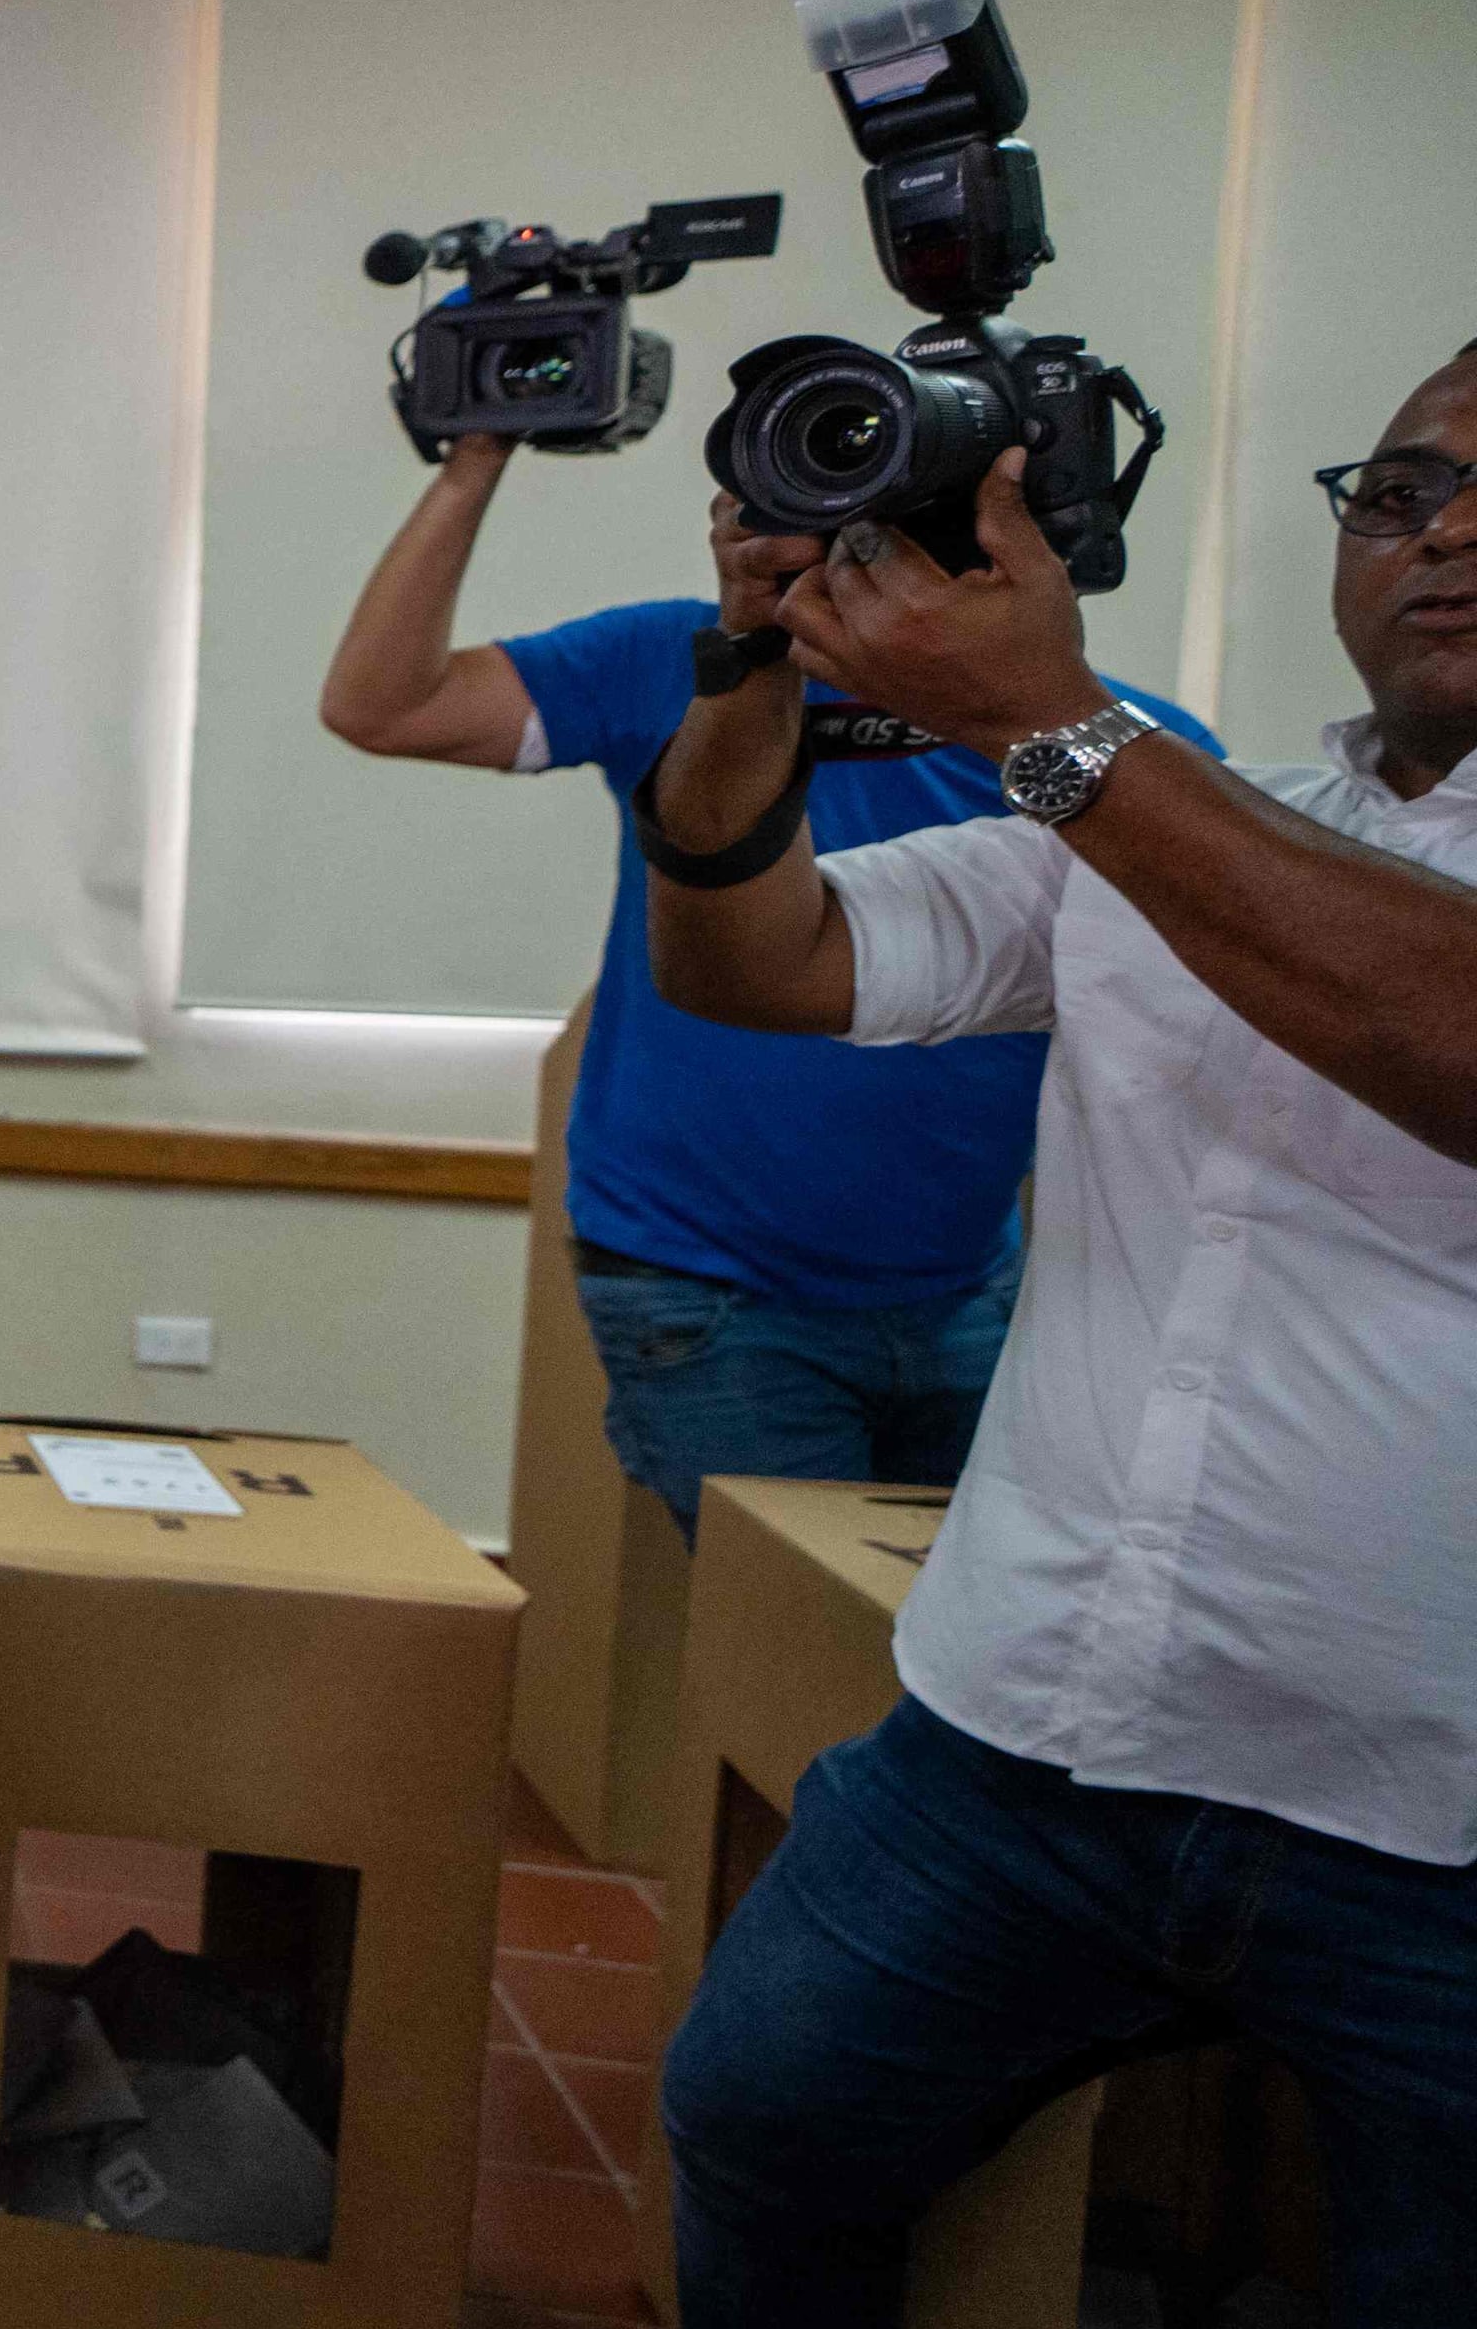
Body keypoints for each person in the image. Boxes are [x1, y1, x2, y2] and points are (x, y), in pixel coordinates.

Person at [477, 351, 1477, 2329]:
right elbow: (760, 956)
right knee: (765, 2106)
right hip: (1047, 1731)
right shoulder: (1195, 826)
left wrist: (1055, 720)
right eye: (1404, 482)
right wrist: (747, 674)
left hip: (1438, 1811)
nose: (1447, 529)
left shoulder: (1151, 802)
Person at [319, 429, 1208, 1533]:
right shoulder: (677, 666)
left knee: (954, 1655)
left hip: (967, 1284)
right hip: (705, 1286)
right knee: (786, 1641)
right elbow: (382, 705)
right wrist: (473, 461)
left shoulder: (1107, 749)